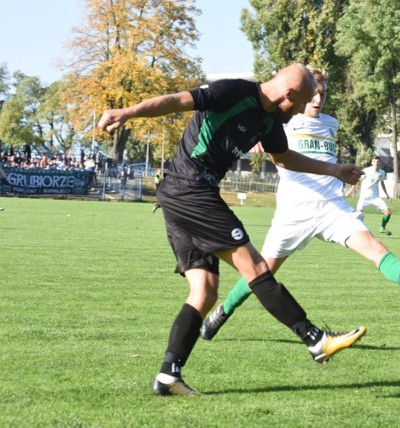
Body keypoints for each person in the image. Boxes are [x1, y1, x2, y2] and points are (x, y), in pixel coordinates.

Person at [97, 63, 366, 397]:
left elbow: (283, 158)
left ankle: (168, 376)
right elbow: (178, 100)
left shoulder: (270, 121)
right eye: (301, 103)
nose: (300, 111)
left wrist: (335, 169)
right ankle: (315, 339)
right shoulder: (233, 92)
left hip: (183, 196)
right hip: (190, 189)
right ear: (290, 94)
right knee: (254, 267)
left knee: (205, 291)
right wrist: (129, 111)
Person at [201, 68, 400, 343]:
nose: (317, 100)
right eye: (312, 94)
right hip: (294, 213)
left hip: (332, 209)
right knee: (261, 272)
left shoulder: (331, 123)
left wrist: (342, 173)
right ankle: (223, 310)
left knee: (376, 249)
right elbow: (264, 138)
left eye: (322, 94)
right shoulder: (282, 122)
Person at [345, 155, 393, 235]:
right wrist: (350, 191)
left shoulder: (382, 172)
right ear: (372, 162)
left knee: (388, 212)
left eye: (378, 162)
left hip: (375, 197)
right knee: (358, 214)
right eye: (374, 161)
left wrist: (387, 195)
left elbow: (382, 183)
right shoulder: (366, 171)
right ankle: (353, 230)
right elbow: (358, 180)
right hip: (365, 197)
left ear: (380, 163)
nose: (376, 163)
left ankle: (382, 228)